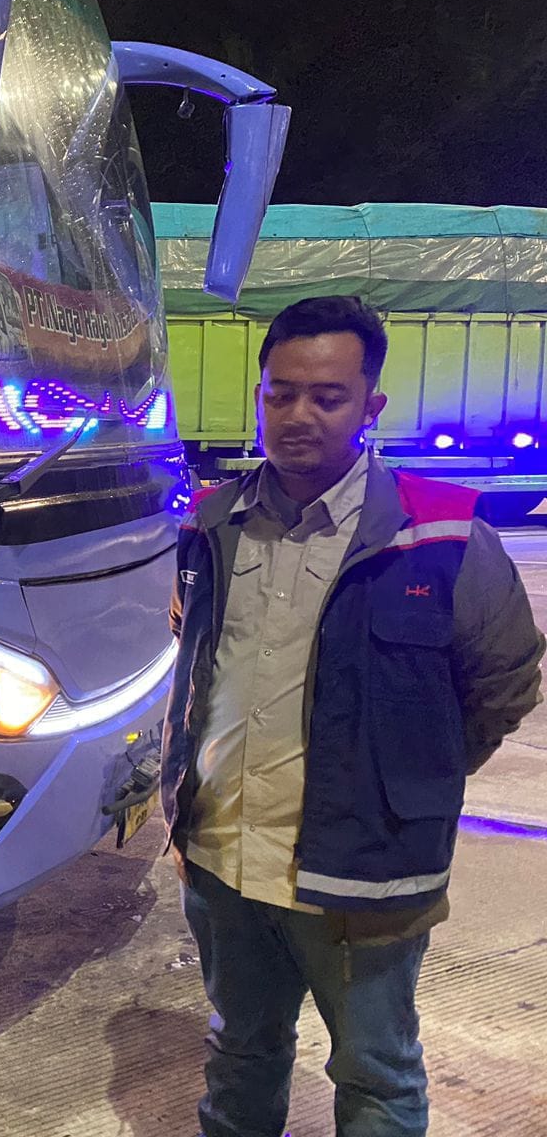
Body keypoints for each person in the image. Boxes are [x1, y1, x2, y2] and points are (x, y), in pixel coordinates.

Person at [162, 295, 544, 1137]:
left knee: (376, 1074)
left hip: (365, 878)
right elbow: (196, 672)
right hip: (226, 860)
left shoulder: (442, 532)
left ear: (371, 406)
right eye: (281, 393)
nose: (299, 414)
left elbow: (506, 683)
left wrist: (405, 781)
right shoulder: (213, 523)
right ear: (259, 396)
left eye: (327, 396)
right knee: (239, 1053)